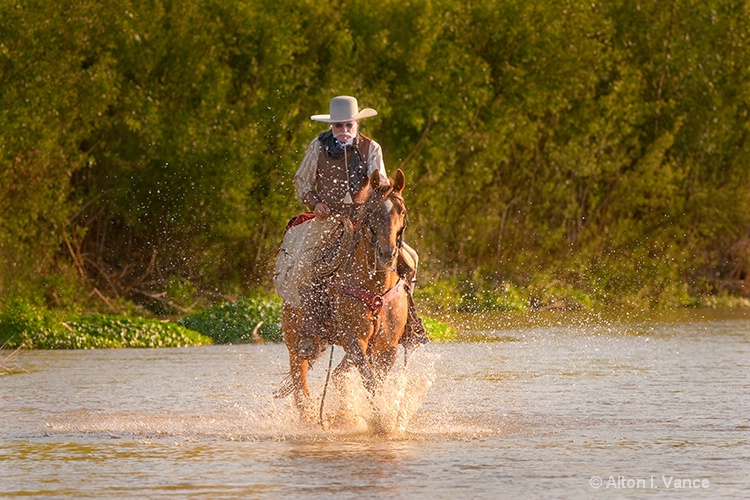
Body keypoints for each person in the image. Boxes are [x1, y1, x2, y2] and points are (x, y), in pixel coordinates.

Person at [283, 95, 428, 359]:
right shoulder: (318, 146)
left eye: (349, 125)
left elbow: (380, 179)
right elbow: (302, 182)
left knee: (410, 259)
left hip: (364, 221)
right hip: (328, 220)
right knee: (308, 264)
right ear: (331, 126)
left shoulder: (371, 147)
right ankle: (310, 329)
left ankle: (408, 323)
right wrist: (315, 203)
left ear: (356, 124)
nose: (344, 131)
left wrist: (380, 199)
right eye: (338, 126)